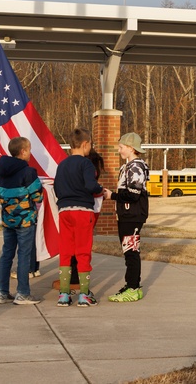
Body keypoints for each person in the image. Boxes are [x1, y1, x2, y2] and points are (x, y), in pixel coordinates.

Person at [53, 128, 110, 307]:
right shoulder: (86, 164)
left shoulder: (62, 164)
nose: (90, 148)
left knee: (66, 251)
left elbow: (56, 187)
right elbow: (90, 185)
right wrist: (101, 190)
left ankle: (64, 294)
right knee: (83, 251)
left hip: (64, 211)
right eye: (90, 144)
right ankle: (84, 295)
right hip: (83, 211)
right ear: (85, 144)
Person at [0, 136, 44, 305]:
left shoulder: (1, 170)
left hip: (8, 219)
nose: (30, 153)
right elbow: (37, 197)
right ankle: (22, 293)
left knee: (7, 253)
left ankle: (1, 292)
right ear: (23, 151)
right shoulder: (28, 172)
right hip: (25, 220)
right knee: (23, 254)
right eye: (29, 150)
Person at [108, 132, 149, 303]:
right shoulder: (129, 166)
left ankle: (132, 288)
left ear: (131, 148)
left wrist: (113, 196)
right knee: (128, 251)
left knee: (131, 252)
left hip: (132, 215)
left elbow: (133, 193)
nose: (119, 151)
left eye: (121, 147)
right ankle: (132, 285)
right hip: (126, 215)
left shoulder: (136, 167)